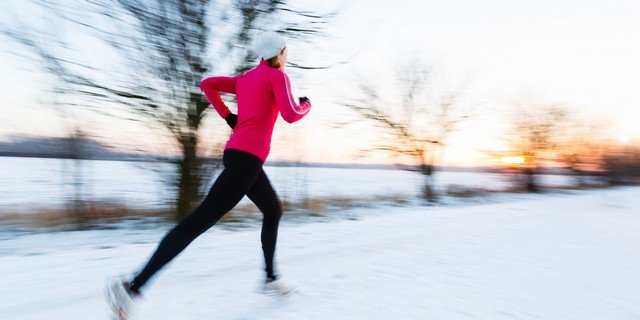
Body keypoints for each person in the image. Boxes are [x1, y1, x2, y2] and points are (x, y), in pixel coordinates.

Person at [105, 31, 311, 319]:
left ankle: (270, 278)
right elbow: (290, 114)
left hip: (241, 157)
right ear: (279, 53)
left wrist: (229, 117)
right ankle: (133, 286)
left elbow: (207, 84)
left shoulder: (245, 79)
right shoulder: (277, 77)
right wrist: (305, 105)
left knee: (273, 210)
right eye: (286, 51)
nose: (287, 55)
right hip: (246, 161)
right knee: (197, 222)